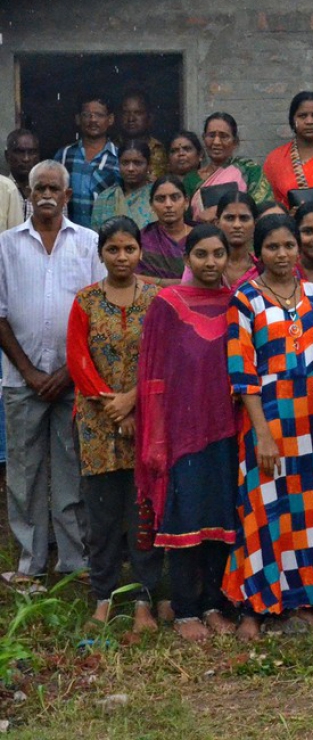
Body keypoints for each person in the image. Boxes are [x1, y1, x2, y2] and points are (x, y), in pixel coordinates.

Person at [225, 213, 313, 638]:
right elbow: (242, 373)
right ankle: (259, 600)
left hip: (312, 414)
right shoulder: (246, 299)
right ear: (259, 252)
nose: (283, 254)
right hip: (268, 414)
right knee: (263, 504)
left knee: (309, 505)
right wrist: (262, 433)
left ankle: (307, 597)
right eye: (273, 246)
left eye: (288, 245)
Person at [0, 160, 106, 585]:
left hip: (72, 380)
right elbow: (0, 315)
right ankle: (30, 564)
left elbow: (97, 313)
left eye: (54, 188)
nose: (45, 194)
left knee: (71, 474)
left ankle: (74, 563)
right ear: (29, 195)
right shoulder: (6, 245)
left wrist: (66, 372)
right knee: (24, 476)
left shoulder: (89, 243)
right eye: (38, 187)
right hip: (20, 379)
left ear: (67, 196)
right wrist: (29, 372)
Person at [136, 223, 241, 642]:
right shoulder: (167, 303)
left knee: (221, 516)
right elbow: (154, 375)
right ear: (187, 258)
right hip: (181, 433)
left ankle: (214, 603)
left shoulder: (237, 302)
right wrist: (157, 437)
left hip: (226, 427)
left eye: (219, 254)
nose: (211, 263)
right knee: (185, 518)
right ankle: (184, 609)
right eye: (202, 255)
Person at [67, 216, 162, 630]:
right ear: (100, 253)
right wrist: (113, 406)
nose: (122, 257)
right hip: (97, 424)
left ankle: (143, 599)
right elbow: (77, 358)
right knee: (102, 516)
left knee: (143, 513)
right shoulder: (85, 301)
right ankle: (103, 598)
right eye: (113, 249)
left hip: (147, 420)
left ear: (140, 252)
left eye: (129, 249)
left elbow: (162, 359)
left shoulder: (158, 301)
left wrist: (133, 402)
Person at [184, 112, 272, 223]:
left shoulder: (250, 171)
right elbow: (185, 220)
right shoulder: (191, 179)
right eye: (211, 135)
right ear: (204, 139)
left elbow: (264, 209)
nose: (216, 142)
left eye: (224, 136)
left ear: (235, 142)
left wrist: (220, 212)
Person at [55, 95, 120, 227]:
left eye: (99, 115)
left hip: (105, 237)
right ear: (78, 119)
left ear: (111, 119)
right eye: (86, 115)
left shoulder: (119, 158)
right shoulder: (65, 155)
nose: (93, 120)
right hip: (68, 236)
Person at [181, 190, 261, 288]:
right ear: (217, 223)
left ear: (255, 224)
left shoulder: (261, 269)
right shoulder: (199, 264)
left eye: (244, 218)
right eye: (230, 218)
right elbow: (187, 295)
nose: (237, 225)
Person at [90, 139, 156, 231]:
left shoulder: (157, 196)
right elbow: (96, 237)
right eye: (125, 163)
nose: (130, 168)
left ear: (149, 165)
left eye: (137, 163)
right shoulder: (105, 198)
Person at [138, 175, 192, 282]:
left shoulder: (204, 237)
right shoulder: (143, 239)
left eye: (175, 197)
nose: (168, 204)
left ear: (186, 202)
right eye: (160, 199)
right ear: (152, 205)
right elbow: (134, 279)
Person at [117, 91, 168, 180]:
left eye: (138, 113)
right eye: (126, 113)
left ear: (150, 117)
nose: (131, 118)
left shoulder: (158, 149)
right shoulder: (112, 146)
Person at [5, 128, 40, 207]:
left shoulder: (49, 193)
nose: (26, 158)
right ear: (7, 156)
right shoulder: (2, 190)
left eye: (32, 152)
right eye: (19, 152)